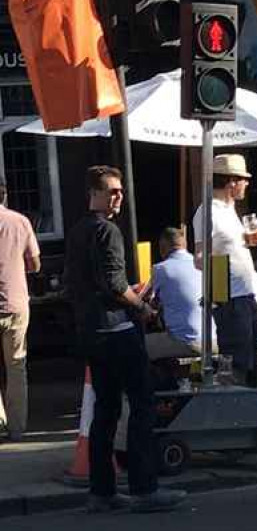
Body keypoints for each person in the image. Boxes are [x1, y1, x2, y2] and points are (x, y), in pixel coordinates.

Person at [63, 166, 186, 513]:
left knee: (106, 410)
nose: (119, 197)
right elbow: (115, 285)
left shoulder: (76, 231)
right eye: (112, 191)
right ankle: (144, 488)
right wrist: (143, 306)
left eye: (120, 191)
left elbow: (81, 280)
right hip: (117, 330)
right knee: (142, 404)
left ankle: (102, 490)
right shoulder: (107, 230)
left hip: (90, 331)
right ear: (95, 194)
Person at [193, 154, 257, 387]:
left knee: (252, 356)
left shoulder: (229, 209)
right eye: (244, 179)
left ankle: (246, 408)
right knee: (236, 362)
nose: (247, 184)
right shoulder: (208, 211)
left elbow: (224, 244)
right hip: (229, 297)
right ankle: (235, 409)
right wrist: (218, 294)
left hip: (243, 293)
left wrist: (246, 241)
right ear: (232, 181)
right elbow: (200, 257)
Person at [0, 183, 40, 442]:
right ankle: (16, 428)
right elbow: (35, 264)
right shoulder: (20, 221)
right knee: (16, 365)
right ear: (5, 194)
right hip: (15, 302)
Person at [145, 227, 212, 361]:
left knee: (138, 344)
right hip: (214, 339)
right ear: (185, 245)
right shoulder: (202, 265)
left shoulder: (160, 269)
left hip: (188, 342)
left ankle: (154, 381)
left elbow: (149, 300)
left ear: (162, 249)